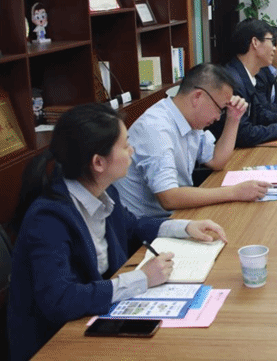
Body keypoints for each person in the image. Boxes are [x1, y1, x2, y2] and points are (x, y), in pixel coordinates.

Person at [7, 103, 227, 361]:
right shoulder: (49, 218)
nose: (132, 151)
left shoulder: (103, 190)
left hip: (95, 320)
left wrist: (185, 227)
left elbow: (132, 226)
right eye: (125, 146)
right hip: (56, 343)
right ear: (98, 162)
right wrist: (141, 279)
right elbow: (60, 300)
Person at [115, 63, 272, 219]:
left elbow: (217, 161)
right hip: (146, 226)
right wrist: (234, 192)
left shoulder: (188, 120)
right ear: (197, 97)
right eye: (220, 108)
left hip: (176, 214)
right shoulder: (156, 128)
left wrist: (234, 118)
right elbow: (169, 197)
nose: (218, 117)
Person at [209, 19, 277, 147]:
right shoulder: (231, 80)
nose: (274, 48)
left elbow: (258, 113)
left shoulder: (245, 73)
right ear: (255, 42)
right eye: (271, 41)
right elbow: (244, 134)